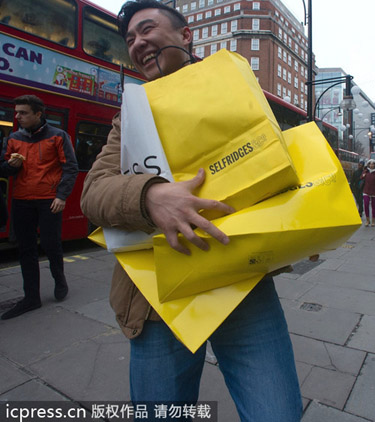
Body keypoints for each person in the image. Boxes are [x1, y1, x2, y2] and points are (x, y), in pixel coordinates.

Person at [80, 1, 302, 420]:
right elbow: (92, 193)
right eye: (129, 39)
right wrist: (149, 196)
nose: (138, 42)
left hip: (243, 286)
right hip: (157, 298)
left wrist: (301, 231)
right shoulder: (129, 117)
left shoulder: (233, 91)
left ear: (186, 36)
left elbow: (278, 173)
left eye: (147, 29)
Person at [0, 95, 78, 320]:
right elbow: (4, 170)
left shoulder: (58, 136)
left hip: (49, 200)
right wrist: (10, 166)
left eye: (23, 113)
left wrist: (62, 196)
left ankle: (60, 280)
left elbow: (70, 167)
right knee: (25, 249)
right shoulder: (13, 138)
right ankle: (31, 297)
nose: (18, 117)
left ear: (38, 114)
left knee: (51, 244)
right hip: (22, 200)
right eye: (17, 113)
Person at [360, 158, 375, 226]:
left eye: (373, 164)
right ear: (368, 165)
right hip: (366, 190)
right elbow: (361, 178)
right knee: (366, 204)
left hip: (374, 191)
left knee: (374, 206)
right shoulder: (366, 171)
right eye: (370, 164)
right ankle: (367, 220)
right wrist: (363, 175)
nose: (371, 165)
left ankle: (373, 220)